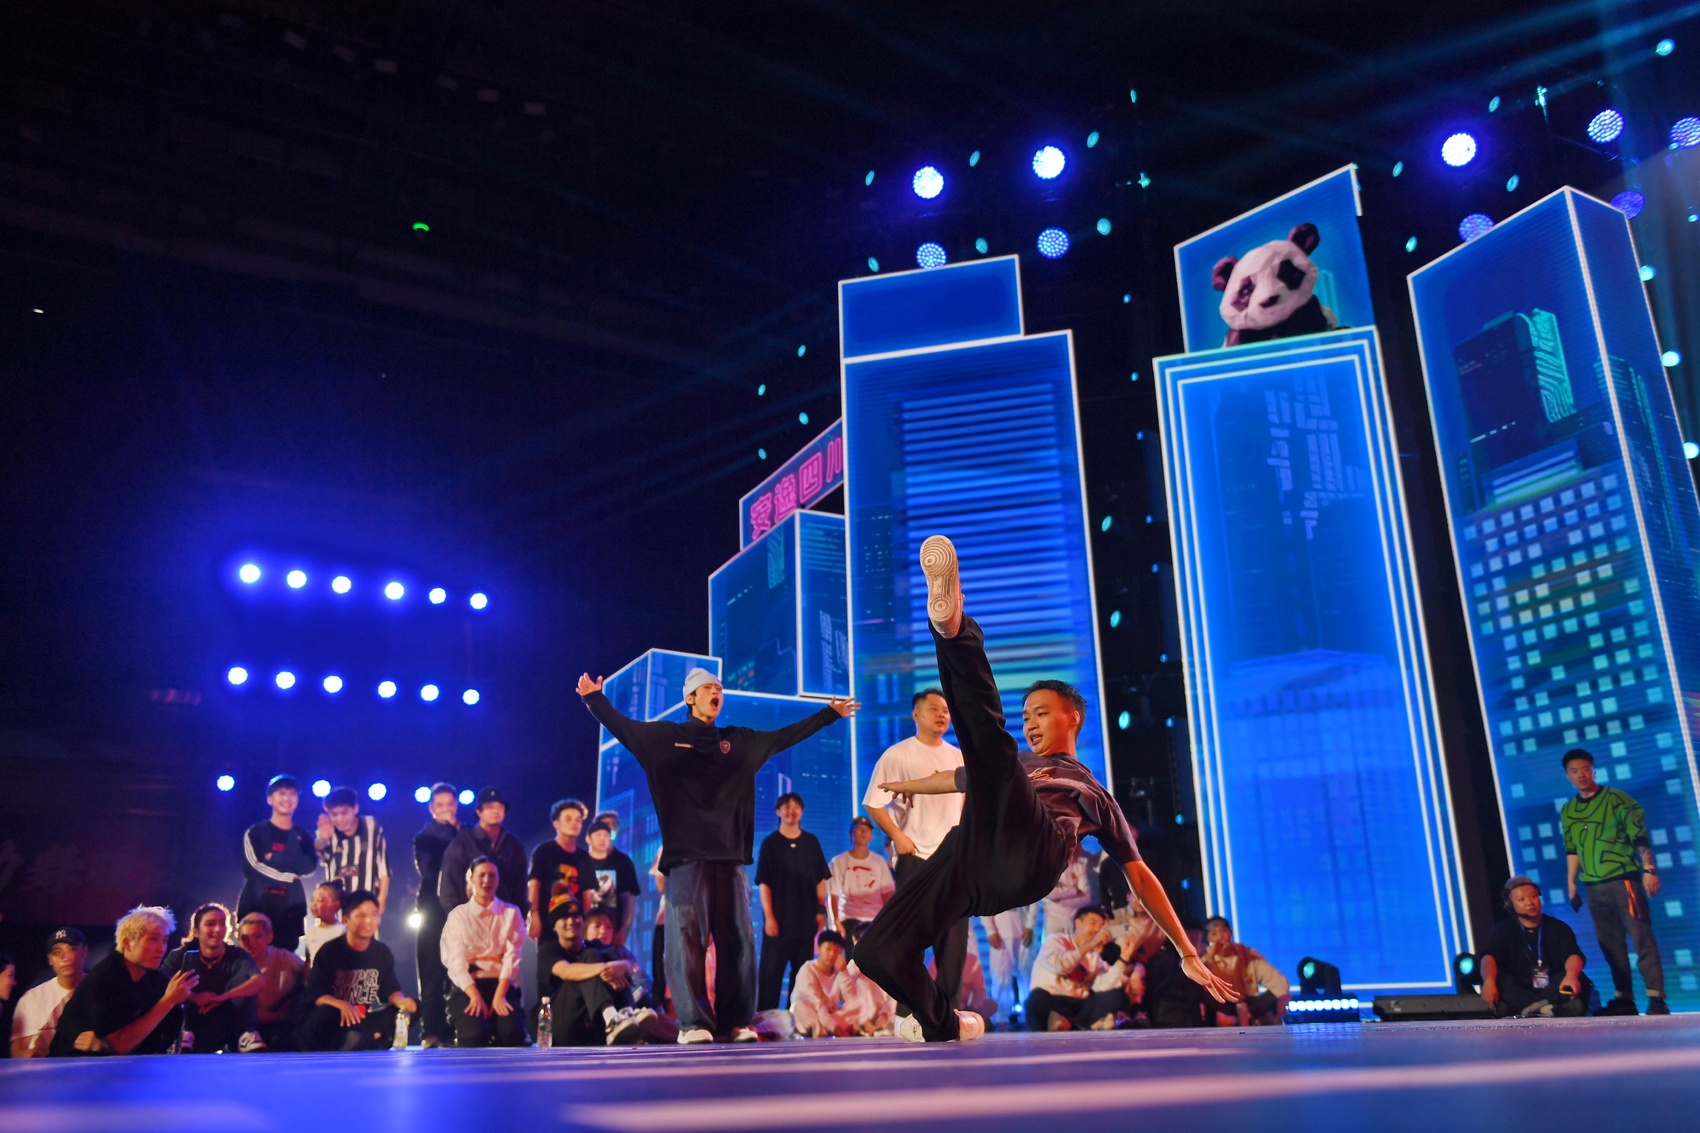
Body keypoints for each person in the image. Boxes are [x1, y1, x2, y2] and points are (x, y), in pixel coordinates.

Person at [854, 535, 1237, 1041]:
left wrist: (1187, 951)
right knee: (875, 951)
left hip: (1032, 855)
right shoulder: (1015, 764)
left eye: (1041, 713)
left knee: (990, 748)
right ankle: (943, 1022)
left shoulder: (1089, 789)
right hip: (973, 857)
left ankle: (953, 629)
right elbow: (957, 776)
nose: (1031, 723)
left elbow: (1139, 875)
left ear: (1072, 717)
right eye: (1026, 715)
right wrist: (906, 784)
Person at [578, 665, 856, 1044]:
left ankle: (735, 1021)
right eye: (707, 688)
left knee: (739, 940)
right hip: (685, 858)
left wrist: (828, 714)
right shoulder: (665, 739)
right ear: (690, 697)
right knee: (687, 940)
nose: (716, 693)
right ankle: (692, 1023)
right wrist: (595, 699)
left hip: (731, 858)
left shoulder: (738, 742)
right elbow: (624, 727)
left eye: (719, 689)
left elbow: (784, 737)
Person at [863, 687, 969, 1013]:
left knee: (953, 939)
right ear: (916, 714)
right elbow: (873, 802)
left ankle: (947, 1012)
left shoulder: (958, 757)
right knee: (910, 937)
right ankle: (909, 1011)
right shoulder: (898, 755)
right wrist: (897, 836)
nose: (941, 715)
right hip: (914, 855)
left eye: (946, 711)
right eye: (934, 708)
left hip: (952, 858)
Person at [1561, 748, 1668, 1015]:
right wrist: (1571, 882)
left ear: (1593, 770)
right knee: (1610, 944)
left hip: (1624, 880)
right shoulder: (1569, 810)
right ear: (1567, 776)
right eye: (1574, 771)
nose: (1581, 775)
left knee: (1641, 939)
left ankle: (1656, 998)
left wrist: (1649, 869)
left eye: (1585, 769)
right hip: (1593, 886)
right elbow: (1572, 848)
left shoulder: (1617, 799)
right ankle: (1624, 998)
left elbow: (1638, 835)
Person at [50, 906, 196, 1056]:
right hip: (69, 1065)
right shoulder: (105, 977)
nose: (161, 948)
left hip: (121, 1065)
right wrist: (168, 1001)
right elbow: (120, 1046)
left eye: (164, 940)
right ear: (127, 943)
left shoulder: (156, 979)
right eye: (154, 939)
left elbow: (167, 1032)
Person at [295, 889, 417, 1052]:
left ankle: (361, 1039)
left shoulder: (381, 952)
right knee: (325, 1014)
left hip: (360, 1019)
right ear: (345, 920)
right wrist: (341, 1005)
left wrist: (402, 1001)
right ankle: (370, 1039)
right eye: (361, 915)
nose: (369, 921)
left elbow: (391, 990)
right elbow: (316, 996)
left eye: (374, 915)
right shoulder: (330, 951)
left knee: (415, 1008)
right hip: (334, 1017)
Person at [545, 899, 667, 1046]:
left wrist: (623, 965)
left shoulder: (600, 948)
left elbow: (630, 968)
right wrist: (606, 968)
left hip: (591, 1026)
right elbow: (566, 971)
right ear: (554, 925)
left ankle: (626, 1012)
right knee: (591, 956)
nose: (571, 921)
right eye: (565, 917)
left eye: (576, 916)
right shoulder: (549, 950)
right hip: (562, 1024)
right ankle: (611, 1019)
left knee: (608, 954)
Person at [441, 856, 528, 1047]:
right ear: (470, 878)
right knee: (474, 1035)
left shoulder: (511, 913)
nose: (486, 880)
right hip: (469, 985)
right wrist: (474, 995)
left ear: (498, 880)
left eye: (492, 875)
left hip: (501, 983)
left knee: (512, 1034)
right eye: (481, 875)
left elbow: (512, 957)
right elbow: (455, 962)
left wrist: (500, 995)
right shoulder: (458, 915)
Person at [757, 792, 831, 1011]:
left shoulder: (811, 842)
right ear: (778, 812)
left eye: (796, 807)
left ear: (802, 812)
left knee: (802, 975)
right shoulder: (770, 844)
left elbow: (821, 880)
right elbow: (764, 883)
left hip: (806, 920)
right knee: (770, 974)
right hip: (778, 922)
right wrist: (769, 917)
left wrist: (821, 911)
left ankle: (797, 1018)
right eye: (786, 807)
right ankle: (766, 1020)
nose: (792, 811)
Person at [1481, 875, 1593, 1018]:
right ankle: (1547, 1009)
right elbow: (1489, 957)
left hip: (1551, 986)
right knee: (1498, 979)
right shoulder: (1503, 930)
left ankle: (1528, 1008)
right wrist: (1489, 981)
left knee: (1578, 977)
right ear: (1510, 904)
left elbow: (1573, 955)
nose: (1530, 902)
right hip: (1520, 987)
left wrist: (1571, 975)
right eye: (1521, 899)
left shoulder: (1558, 927)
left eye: (1533, 897)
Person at [163, 903, 264, 1052]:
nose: (218, 929)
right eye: (210, 924)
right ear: (196, 931)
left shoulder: (237, 955)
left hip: (225, 1023)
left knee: (243, 979)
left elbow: (259, 981)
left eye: (222, 923)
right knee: (179, 980)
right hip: (191, 1022)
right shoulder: (180, 955)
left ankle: (245, 1035)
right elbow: (161, 984)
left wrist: (222, 997)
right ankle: (182, 1035)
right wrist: (193, 997)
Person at [528, 798, 596, 1012]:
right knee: (548, 975)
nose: (574, 823)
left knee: (577, 970)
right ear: (555, 823)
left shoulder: (584, 857)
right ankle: (545, 1024)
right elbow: (534, 884)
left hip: (574, 925)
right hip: (549, 924)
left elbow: (587, 894)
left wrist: (585, 924)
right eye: (568, 819)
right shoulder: (544, 851)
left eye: (578, 819)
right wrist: (534, 915)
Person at [238, 774, 319, 953]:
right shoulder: (256, 832)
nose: (287, 798)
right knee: (252, 961)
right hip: (257, 908)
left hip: (290, 911)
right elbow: (253, 868)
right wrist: (289, 876)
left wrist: (275, 858)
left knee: (288, 963)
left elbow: (309, 866)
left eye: (292, 794)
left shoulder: (302, 835)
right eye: (281, 793)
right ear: (270, 799)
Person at [1025, 905, 1134, 1031]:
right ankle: (1068, 1024)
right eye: (1093, 923)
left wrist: (1124, 958)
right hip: (1053, 1000)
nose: (1097, 929)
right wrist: (1091, 944)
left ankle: (1068, 1024)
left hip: (1078, 1006)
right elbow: (1060, 966)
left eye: (1101, 925)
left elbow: (1102, 984)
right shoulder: (1056, 941)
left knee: (1116, 996)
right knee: (1037, 998)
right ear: (1078, 923)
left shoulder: (1094, 957)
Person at [412, 781, 460, 1048]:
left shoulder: (466, 834)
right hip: (432, 909)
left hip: (460, 909)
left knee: (458, 970)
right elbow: (429, 871)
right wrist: (450, 836)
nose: (445, 809)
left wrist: (457, 832)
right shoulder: (424, 837)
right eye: (439, 805)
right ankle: (431, 1031)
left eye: (449, 804)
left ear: (456, 806)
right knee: (431, 970)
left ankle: (457, 1028)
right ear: (431, 808)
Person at [441, 788, 529, 917]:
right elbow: (448, 887)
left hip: (505, 918)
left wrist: (518, 915)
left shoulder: (513, 844)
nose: (496, 811)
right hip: (470, 918)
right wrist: (460, 917)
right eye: (490, 807)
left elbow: (521, 886)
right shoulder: (462, 843)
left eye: (500, 807)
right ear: (479, 811)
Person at [790, 930, 895, 1037]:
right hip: (812, 1013)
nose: (832, 954)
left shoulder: (838, 970)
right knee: (799, 1007)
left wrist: (843, 972)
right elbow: (817, 1003)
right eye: (828, 949)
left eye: (836, 950)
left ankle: (822, 1031)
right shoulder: (807, 970)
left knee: (859, 1003)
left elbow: (851, 997)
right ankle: (821, 1028)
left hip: (831, 1016)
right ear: (818, 949)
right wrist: (834, 1027)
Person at [10, 927, 86, 1058]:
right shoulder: (32, 999)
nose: (65, 957)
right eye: (57, 952)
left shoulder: (102, 990)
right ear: (50, 959)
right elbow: (16, 1053)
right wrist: (34, 1054)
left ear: (85, 951)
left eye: (71, 949)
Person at [316, 786, 390, 917]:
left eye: (344, 813)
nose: (339, 819)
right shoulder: (326, 830)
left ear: (355, 809)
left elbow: (383, 866)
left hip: (367, 901)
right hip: (337, 907)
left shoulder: (371, 825)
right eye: (334, 814)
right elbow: (317, 849)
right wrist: (324, 838)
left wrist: (382, 898)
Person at [1202, 916, 1289, 1026]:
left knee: (1275, 996)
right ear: (1209, 938)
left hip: (1248, 1005)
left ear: (1230, 933)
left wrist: (1281, 1000)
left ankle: (1248, 1016)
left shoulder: (1247, 954)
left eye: (1223, 931)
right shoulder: (1204, 958)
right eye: (1214, 934)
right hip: (1222, 1005)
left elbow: (1277, 981)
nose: (1220, 937)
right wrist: (1209, 958)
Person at [236, 912, 304, 1051]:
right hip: (248, 1031)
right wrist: (280, 1016)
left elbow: (311, 985)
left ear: (270, 937)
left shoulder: (288, 960)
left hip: (285, 1028)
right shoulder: (233, 965)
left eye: (258, 936)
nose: (251, 943)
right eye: (245, 938)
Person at [829, 816, 895, 957]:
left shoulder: (879, 862)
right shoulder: (839, 861)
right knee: (851, 961)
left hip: (874, 919)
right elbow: (833, 894)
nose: (863, 832)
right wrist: (835, 921)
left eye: (867, 829)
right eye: (859, 828)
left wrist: (888, 921)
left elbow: (888, 894)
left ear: (871, 836)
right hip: (849, 919)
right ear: (851, 834)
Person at [585, 817, 644, 948]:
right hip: (586, 930)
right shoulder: (581, 861)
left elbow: (628, 900)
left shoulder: (623, 862)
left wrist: (624, 929)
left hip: (612, 932)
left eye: (614, 825)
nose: (610, 828)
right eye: (606, 824)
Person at [583, 908, 654, 1007]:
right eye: (597, 926)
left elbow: (643, 981)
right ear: (585, 929)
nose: (603, 931)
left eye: (609, 927)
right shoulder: (581, 955)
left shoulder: (622, 953)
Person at [980, 904, 1036, 1018]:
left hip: (1024, 931)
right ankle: (1001, 1017)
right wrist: (991, 930)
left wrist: (1030, 926)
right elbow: (986, 902)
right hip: (1000, 933)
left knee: (1027, 975)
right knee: (1000, 977)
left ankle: (1029, 1015)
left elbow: (1034, 902)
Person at [1041, 851, 1093, 942]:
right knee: (1051, 948)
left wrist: (1062, 901)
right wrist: (1074, 891)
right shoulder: (1049, 867)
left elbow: (1086, 898)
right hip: (1053, 922)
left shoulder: (1079, 868)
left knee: (1072, 948)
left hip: (1072, 921)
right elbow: (1049, 893)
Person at [299, 881, 345, 965]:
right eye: (312, 900)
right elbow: (308, 962)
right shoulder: (310, 932)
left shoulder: (342, 932)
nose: (314, 904)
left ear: (336, 905)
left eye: (320, 900)